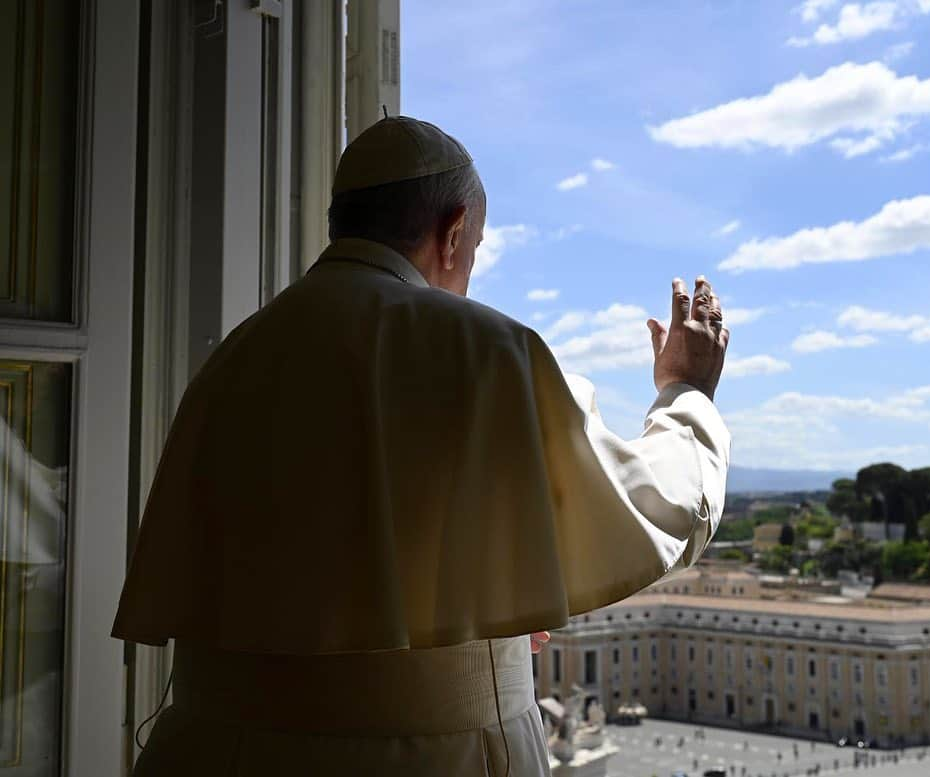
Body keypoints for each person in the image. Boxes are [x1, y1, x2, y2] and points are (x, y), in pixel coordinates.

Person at [112, 116, 731, 776]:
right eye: (476, 246)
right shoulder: (482, 348)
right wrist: (684, 392)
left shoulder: (237, 354)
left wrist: (490, 602)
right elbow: (658, 506)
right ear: (454, 230)